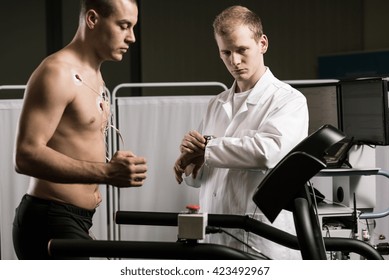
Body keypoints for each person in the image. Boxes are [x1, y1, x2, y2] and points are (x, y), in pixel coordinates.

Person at [12, 0, 147, 260]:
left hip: (75, 219)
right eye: (124, 26)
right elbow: (25, 155)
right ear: (93, 19)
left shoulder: (94, 74)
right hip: (48, 220)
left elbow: (74, 141)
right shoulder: (57, 73)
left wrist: (114, 164)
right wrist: (107, 172)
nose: (131, 37)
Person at [173, 5, 308, 260]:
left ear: (262, 43)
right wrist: (191, 163)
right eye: (226, 52)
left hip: (262, 238)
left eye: (242, 50)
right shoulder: (217, 103)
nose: (234, 61)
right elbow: (206, 174)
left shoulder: (288, 100)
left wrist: (208, 148)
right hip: (216, 234)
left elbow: (268, 152)